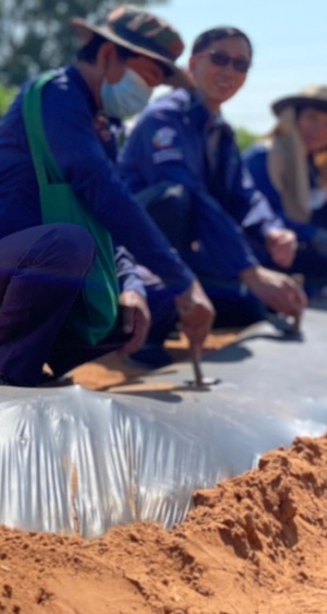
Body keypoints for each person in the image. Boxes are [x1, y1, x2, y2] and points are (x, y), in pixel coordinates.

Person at [0, 7, 215, 387]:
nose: (146, 93)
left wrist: (132, 287)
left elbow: (106, 228)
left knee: (151, 296)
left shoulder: (104, 126)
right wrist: (184, 280)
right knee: (68, 246)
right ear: (108, 55)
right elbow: (106, 196)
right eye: (146, 76)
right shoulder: (57, 98)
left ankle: (35, 359)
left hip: (39, 266)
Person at [119, 26, 304, 362]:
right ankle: (146, 328)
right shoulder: (164, 118)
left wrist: (273, 230)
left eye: (241, 65)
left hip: (185, 256)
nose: (229, 71)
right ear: (194, 64)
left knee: (249, 306)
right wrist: (250, 270)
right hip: (126, 254)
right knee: (173, 198)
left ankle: (179, 304)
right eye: (219, 59)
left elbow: (243, 194)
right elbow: (188, 195)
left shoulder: (221, 132)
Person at [242, 86, 327, 289]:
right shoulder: (264, 157)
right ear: (294, 118)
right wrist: (314, 235)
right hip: (256, 258)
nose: (320, 129)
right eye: (312, 118)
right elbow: (260, 213)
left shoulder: (312, 168)